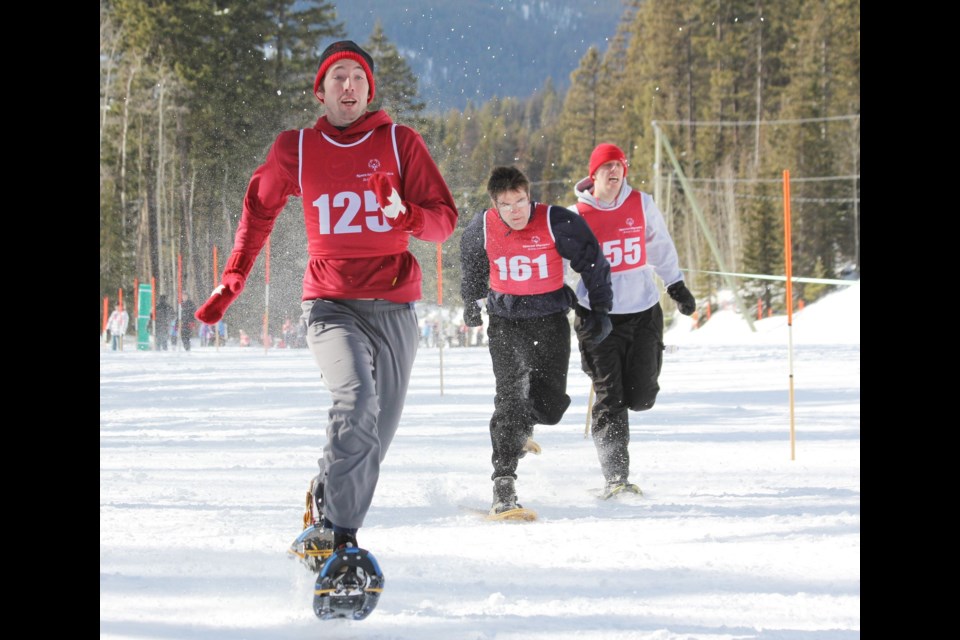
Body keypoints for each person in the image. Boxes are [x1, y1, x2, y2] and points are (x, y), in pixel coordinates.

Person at [195, 41, 457, 566]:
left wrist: (405, 214)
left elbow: (443, 220)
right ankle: (340, 539)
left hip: (395, 306)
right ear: (320, 91)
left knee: (374, 440)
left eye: (358, 78)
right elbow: (258, 208)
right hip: (331, 305)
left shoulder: (401, 143)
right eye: (338, 77)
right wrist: (234, 276)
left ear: (369, 90)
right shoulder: (294, 148)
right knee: (357, 402)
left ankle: (324, 494)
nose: (348, 87)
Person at [460, 166, 613, 516]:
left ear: (530, 197)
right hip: (506, 322)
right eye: (506, 204)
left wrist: (601, 308)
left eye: (521, 201)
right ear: (494, 205)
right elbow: (471, 262)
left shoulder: (555, 221)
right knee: (510, 397)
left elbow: (592, 260)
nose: (516, 211)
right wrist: (471, 301)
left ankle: (519, 429)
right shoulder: (481, 227)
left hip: (550, 320)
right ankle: (504, 484)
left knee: (552, 405)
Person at [570, 143, 696, 498]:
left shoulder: (641, 203)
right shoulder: (575, 214)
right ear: (593, 174)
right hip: (599, 317)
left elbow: (660, 245)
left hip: (643, 311)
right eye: (607, 166)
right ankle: (616, 477)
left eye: (619, 166)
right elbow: (558, 262)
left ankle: (627, 403)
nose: (614, 172)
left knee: (641, 397)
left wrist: (676, 284)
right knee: (611, 397)